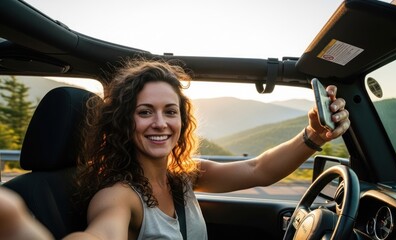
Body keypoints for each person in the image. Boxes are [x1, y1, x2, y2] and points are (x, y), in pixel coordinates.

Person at [0, 59, 350, 240]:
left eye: (170, 111)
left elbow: (258, 169)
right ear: (124, 122)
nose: (160, 123)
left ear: (182, 120)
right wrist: (16, 224)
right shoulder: (119, 196)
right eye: (144, 112)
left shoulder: (182, 176)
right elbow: (101, 234)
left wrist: (314, 136)